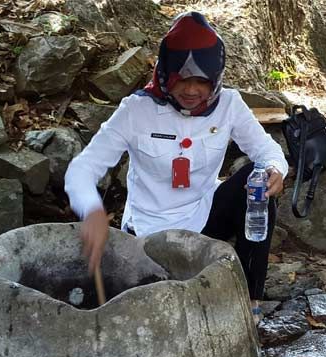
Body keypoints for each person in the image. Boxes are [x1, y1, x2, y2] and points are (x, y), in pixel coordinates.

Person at [64, 11, 288, 314]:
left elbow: (268, 151)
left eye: (201, 81)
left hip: (203, 218)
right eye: (182, 80)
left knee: (256, 178)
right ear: (165, 74)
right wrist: (91, 211)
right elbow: (82, 170)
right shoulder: (136, 111)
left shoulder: (230, 105)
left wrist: (275, 169)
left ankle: (249, 301)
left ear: (216, 78)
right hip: (148, 230)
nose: (192, 90)